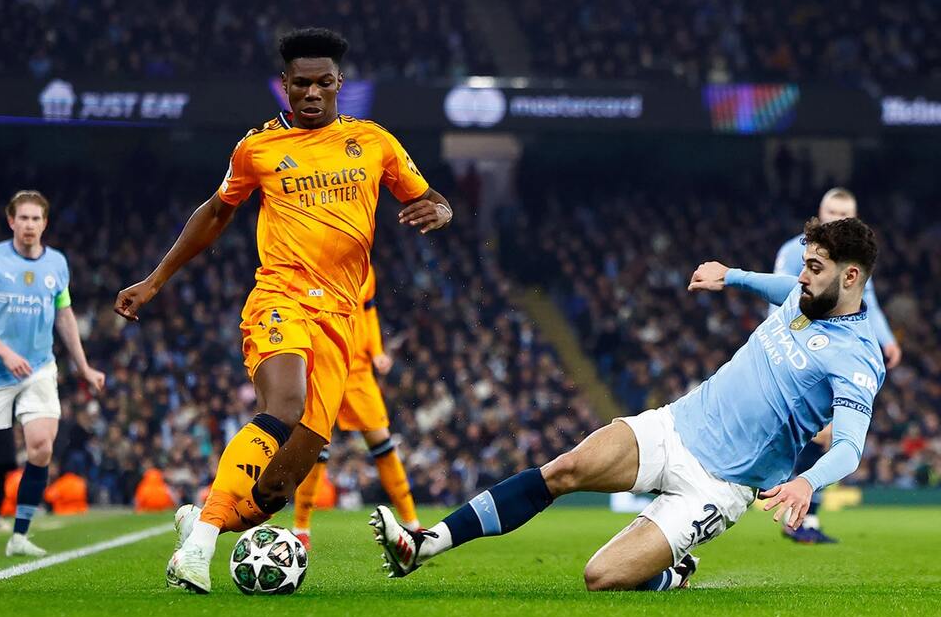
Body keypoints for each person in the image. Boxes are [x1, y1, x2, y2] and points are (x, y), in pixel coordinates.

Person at [114, 28, 452, 593]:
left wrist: (439, 212)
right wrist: (154, 281)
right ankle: (196, 554)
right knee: (284, 404)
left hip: (341, 322)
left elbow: (428, 197)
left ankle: (201, 522)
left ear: (340, 83)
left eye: (323, 82)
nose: (312, 93)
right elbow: (216, 213)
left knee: (275, 491)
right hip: (281, 298)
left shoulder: (374, 142)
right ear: (285, 85)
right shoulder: (257, 149)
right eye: (301, 84)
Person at [372, 218, 883, 590]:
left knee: (602, 577)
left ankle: (670, 573)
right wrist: (732, 276)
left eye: (814, 268)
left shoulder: (857, 359)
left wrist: (804, 482)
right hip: (674, 426)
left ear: (851, 277)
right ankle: (424, 544)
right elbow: (780, 288)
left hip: (720, 484)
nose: (801, 277)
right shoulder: (803, 296)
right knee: (565, 468)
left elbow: (850, 447)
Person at [0, 190, 105, 559]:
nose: (29, 225)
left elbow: (65, 316)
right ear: (11, 221)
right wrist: (6, 354)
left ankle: (20, 535)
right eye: (23, 218)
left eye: (36, 219)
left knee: (42, 446)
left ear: (45, 223)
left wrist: (84, 366)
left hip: (39, 368)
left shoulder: (57, 263)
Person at [772, 188, 900, 543]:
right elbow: (781, 300)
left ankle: (802, 519)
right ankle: (796, 515)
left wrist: (886, 339)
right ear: (820, 211)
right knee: (821, 435)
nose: (836, 219)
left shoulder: (852, 261)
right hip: (803, 352)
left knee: (827, 437)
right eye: (831, 212)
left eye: (845, 214)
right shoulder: (792, 251)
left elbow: (867, 301)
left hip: (837, 353)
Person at [292, 266, 420, 550]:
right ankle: (301, 527)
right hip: (324, 366)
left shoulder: (366, 269)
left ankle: (412, 524)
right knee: (316, 449)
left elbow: (369, 310)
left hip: (359, 371)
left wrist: (377, 352)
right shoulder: (315, 263)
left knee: (383, 444)